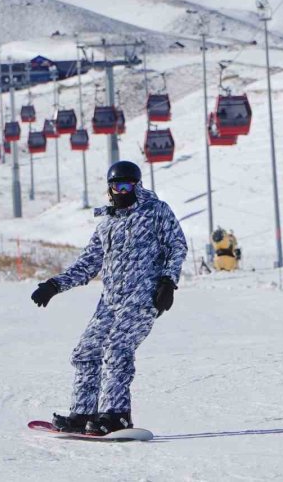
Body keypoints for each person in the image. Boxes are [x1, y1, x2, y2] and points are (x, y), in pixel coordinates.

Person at [30, 161, 187, 436]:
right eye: (116, 186)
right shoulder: (107, 225)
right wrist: (54, 285)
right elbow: (88, 264)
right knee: (86, 351)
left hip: (142, 298)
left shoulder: (156, 211)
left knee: (117, 349)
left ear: (137, 186)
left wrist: (168, 281)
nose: (121, 191)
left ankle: (117, 415)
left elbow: (177, 245)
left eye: (127, 186)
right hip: (110, 302)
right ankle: (83, 413)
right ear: (109, 188)